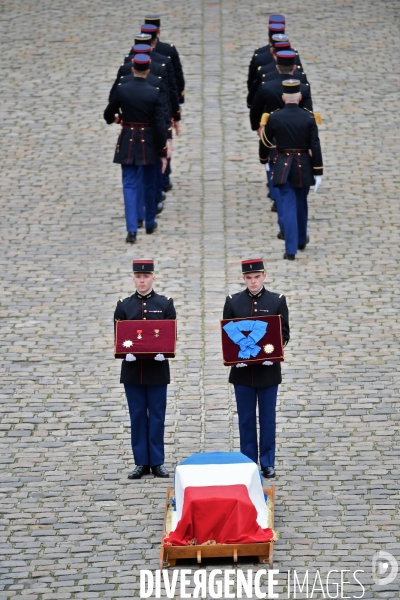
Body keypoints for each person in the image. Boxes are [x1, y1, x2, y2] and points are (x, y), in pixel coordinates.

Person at [223, 259, 290, 478]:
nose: (253, 281)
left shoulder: (276, 300)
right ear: (244, 278)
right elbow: (227, 334)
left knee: (268, 417)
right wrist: (235, 358)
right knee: (246, 418)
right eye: (249, 278)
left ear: (264, 276)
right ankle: (248, 460)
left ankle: (268, 462)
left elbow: (284, 333)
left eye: (257, 277)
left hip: (268, 370)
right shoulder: (233, 302)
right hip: (242, 370)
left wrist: (274, 352)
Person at [114, 259, 176, 479]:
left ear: (153, 278)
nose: (142, 281)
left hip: (157, 369)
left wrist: (165, 352)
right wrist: (124, 352)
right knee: (137, 416)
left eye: (146, 277)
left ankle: (157, 461)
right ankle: (141, 462)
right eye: (138, 277)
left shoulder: (165, 304)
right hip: (132, 369)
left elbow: (170, 335)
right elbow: (118, 337)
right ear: (134, 278)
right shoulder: (124, 305)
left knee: (157, 416)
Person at [103, 54, 167, 243]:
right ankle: (149, 222)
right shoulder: (154, 92)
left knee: (129, 185)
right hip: (148, 140)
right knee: (149, 182)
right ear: (148, 71)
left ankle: (132, 230)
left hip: (128, 140)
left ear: (132, 69)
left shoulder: (122, 89)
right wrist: (163, 150)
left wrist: (116, 119)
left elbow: (108, 113)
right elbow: (160, 124)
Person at [260, 79, 323, 260]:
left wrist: (264, 159)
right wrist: (318, 170)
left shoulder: (274, 117)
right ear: (300, 96)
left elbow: (265, 142)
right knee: (301, 202)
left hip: (283, 164)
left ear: (283, 97)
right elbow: (315, 145)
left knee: (288, 205)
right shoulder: (309, 117)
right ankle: (301, 239)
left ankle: (291, 249)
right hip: (303, 164)